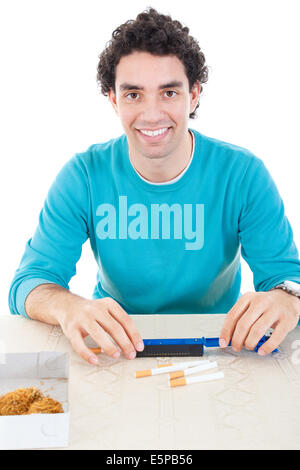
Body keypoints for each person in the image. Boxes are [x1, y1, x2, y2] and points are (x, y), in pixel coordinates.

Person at [8, 7, 300, 365]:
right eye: (133, 95)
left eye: (169, 93)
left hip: (219, 347)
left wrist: (287, 297)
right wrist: (69, 306)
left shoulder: (243, 174)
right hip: (117, 347)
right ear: (114, 99)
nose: (151, 114)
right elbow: (29, 282)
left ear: (193, 95)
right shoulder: (83, 176)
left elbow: (288, 277)